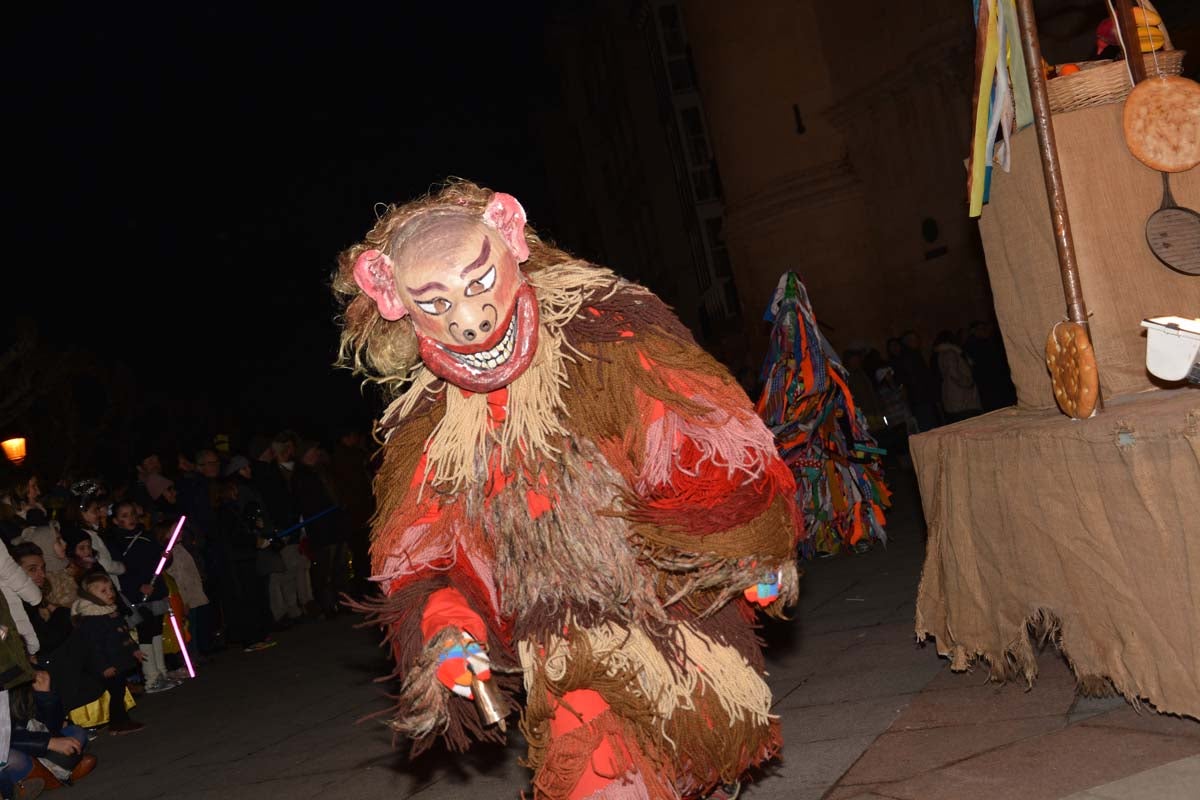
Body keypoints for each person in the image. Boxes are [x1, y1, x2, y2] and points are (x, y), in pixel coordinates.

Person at [334, 180, 800, 799]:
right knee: (601, 773)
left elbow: (707, 438)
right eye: (437, 303)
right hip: (562, 649)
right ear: (396, 300)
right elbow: (423, 556)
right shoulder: (427, 429)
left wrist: (747, 543)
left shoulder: (611, 338)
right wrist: (447, 625)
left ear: (510, 238)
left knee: (693, 770)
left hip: (674, 614)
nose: (469, 321)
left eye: (478, 285)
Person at [70, 574, 145, 735]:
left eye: (110, 589)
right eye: (103, 591)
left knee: (119, 691)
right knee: (117, 693)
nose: (110, 593)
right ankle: (118, 723)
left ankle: (121, 722)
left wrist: (135, 650)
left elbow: (124, 634)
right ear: (90, 595)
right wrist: (104, 666)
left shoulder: (110, 611)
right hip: (108, 664)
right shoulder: (91, 618)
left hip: (118, 659)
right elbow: (93, 647)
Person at [933, 330, 983, 424]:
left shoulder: (941, 354)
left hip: (953, 396)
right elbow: (954, 374)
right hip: (961, 398)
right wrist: (969, 384)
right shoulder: (950, 353)